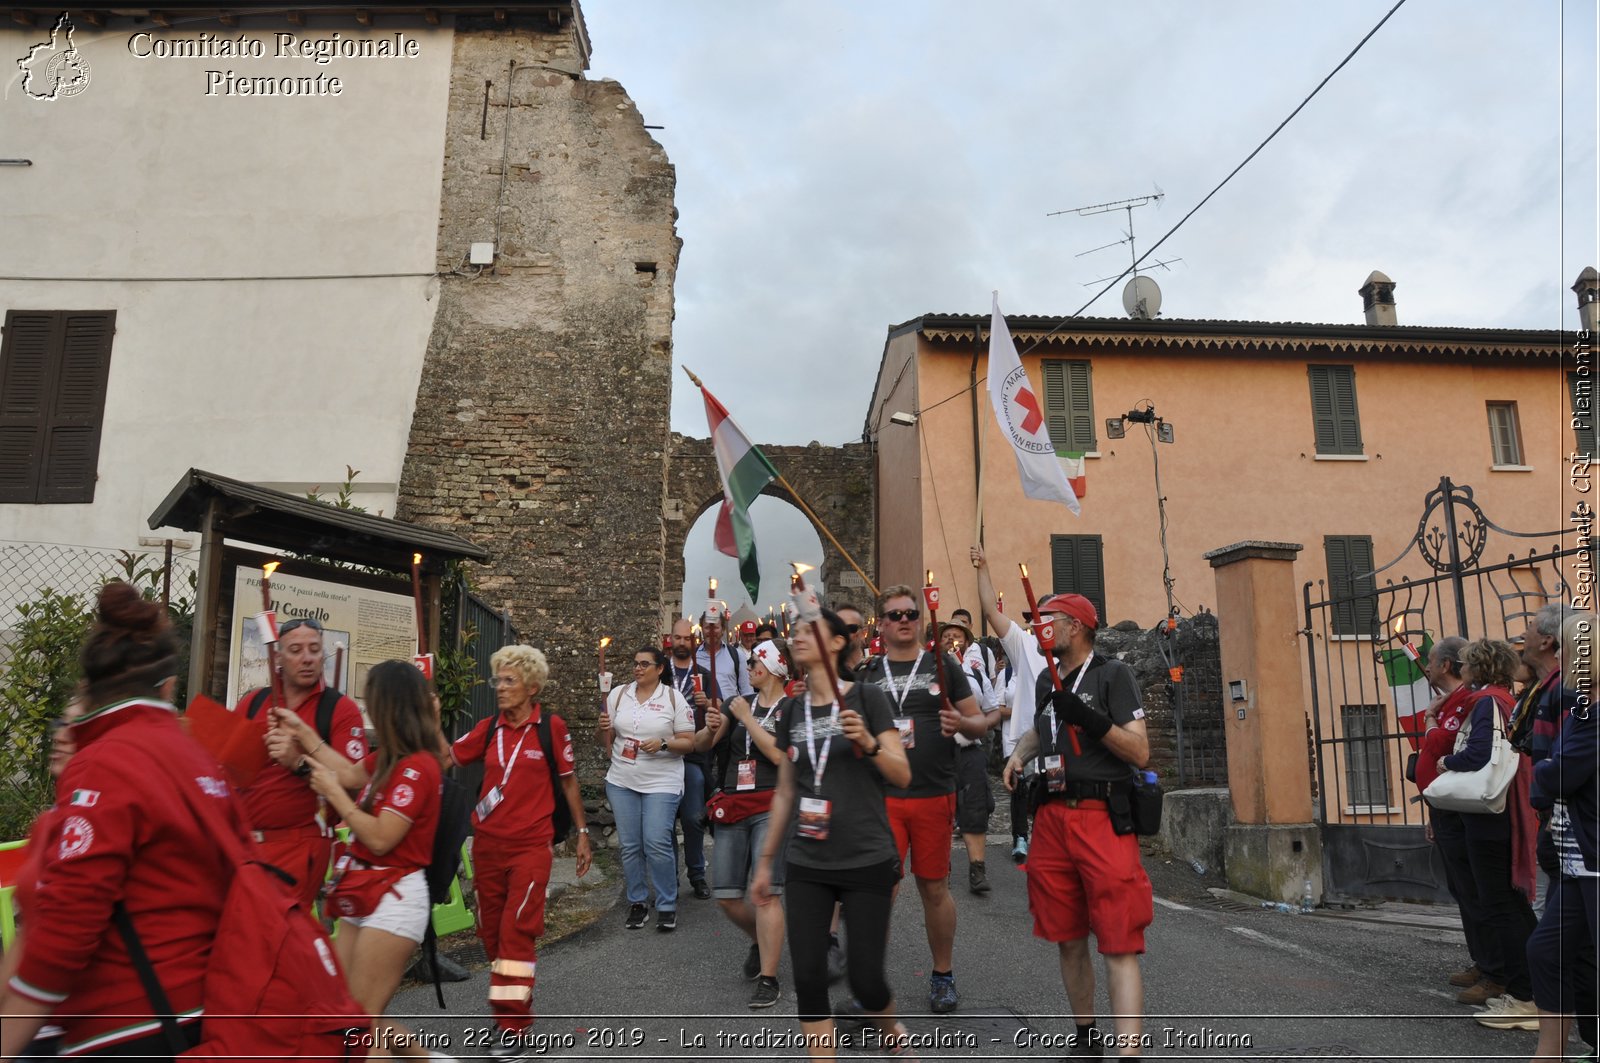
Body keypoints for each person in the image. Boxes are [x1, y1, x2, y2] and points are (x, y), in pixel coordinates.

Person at [0, 583, 244, 1059]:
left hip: (128, 1028)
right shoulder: (199, 760)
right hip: (205, 1013)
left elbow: (65, 935)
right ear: (168, 685)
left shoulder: (104, 764)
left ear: (91, 694)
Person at [999, 588, 1153, 1058]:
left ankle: (1129, 1052)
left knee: (1118, 938)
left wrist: (1089, 718)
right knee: (1065, 936)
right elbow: (1043, 725)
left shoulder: (1113, 674)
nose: (1039, 626)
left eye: (1048, 618)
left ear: (1077, 625)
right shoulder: (1049, 680)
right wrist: (1019, 755)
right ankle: (1086, 1039)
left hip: (1102, 817)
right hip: (1051, 817)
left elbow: (1139, 751)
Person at [751, 609, 912, 1059]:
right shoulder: (791, 710)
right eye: (795, 631)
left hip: (866, 856)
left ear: (837, 643)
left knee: (866, 979)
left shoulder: (867, 698)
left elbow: (901, 774)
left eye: (810, 630)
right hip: (807, 860)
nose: (797, 637)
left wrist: (870, 744)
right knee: (809, 976)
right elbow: (785, 791)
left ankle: (895, 1039)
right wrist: (765, 862)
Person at [273, 659, 446, 1060]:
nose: (367, 708)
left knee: (359, 1026)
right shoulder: (391, 756)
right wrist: (302, 732)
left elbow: (382, 838)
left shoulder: (418, 767)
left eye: (373, 700)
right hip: (366, 891)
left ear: (389, 706)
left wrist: (333, 796)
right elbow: (350, 774)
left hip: (394, 898)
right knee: (351, 1011)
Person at [858, 583, 995, 1012]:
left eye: (911, 614)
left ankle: (942, 975)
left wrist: (961, 722)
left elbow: (980, 723)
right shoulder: (868, 674)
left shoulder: (944, 666)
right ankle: (871, 986)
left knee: (933, 888)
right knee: (881, 891)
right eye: (895, 615)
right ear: (880, 624)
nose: (904, 621)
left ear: (920, 619)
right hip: (882, 797)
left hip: (934, 793)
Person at [449, 645, 592, 1056]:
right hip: (488, 849)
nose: (500, 687)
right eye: (498, 679)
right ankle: (513, 1007)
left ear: (532, 687)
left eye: (509, 680)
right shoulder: (489, 727)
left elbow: (568, 782)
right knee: (491, 935)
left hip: (530, 849)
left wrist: (582, 833)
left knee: (515, 934)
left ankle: (512, 1028)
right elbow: (448, 755)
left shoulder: (552, 727)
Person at [1432, 639, 1539, 1030]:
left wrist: (1445, 761)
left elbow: (1479, 754)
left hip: (1489, 816)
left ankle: (1524, 994)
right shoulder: (1504, 699)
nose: (1463, 670)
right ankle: (1528, 988)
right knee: (1509, 904)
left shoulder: (1486, 702)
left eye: (1467, 665)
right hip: (1504, 812)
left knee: (1500, 904)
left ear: (1477, 667)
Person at [247, 616, 368, 908]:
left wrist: (298, 762)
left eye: (314, 649)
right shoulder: (254, 702)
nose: (307, 659)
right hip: (244, 846)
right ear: (278, 657)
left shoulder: (339, 709)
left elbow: (352, 790)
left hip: (297, 847)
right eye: (296, 650)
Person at [704, 638, 794, 1008]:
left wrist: (746, 719)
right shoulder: (736, 702)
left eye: (756, 660)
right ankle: (759, 940)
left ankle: (769, 978)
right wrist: (710, 727)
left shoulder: (793, 708)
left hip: (772, 803)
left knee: (766, 893)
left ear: (776, 666)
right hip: (733, 802)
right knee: (725, 896)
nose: (749, 666)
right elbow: (702, 744)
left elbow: (777, 753)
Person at [1526, 611, 1600, 1062]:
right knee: (1545, 951)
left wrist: (1543, 775)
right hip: (1577, 858)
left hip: (1592, 855)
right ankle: (1549, 1053)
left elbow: (1559, 773)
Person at [599, 645, 704, 932]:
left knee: (657, 842)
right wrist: (603, 727)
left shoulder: (673, 698)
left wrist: (664, 744)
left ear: (659, 669)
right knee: (630, 845)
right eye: (635, 663)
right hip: (622, 780)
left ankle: (667, 903)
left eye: (645, 664)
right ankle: (637, 901)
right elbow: (606, 737)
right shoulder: (619, 694)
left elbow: (689, 742)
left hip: (662, 780)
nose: (638, 668)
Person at [1415, 636, 1495, 999]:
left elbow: (1441, 748)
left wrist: (1431, 719)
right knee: (1462, 890)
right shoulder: (1449, 701)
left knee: (1475, 890)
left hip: (1463, 808)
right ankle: (1482, 960)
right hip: (1443, 807)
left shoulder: (1465, 701)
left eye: (1431, 662)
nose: (1427, 668)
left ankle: (1495, 968)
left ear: (1446, 666)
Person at [970, 545, 1052, 865]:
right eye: (1040, 616)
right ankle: (1020, 836)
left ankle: (1048, 842)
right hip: (1025, 737)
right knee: (1020, 789)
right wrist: (983, 567)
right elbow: (991, 610)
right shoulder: (1024, 644)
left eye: (1052, 616)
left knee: (1052, 795)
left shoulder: (1072, 653)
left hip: (1061, 741)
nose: (1045, 622)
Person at [940, 618, 1001, 894]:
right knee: (940, 812)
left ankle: (977, 870)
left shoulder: (975, 673)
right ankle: (942, 870)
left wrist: (981, 726)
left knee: (975, 808)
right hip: (938, 753)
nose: (952, 639)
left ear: (967, 642)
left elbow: (992, 709)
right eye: (946, 636)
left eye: (957, 635)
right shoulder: (930, 671)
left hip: (968, 749)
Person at [666, 617, 718, 900]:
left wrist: (707, 703)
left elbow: (718, 714)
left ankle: (697, 874)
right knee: (664, 822)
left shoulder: (705, 674)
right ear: (670, 639)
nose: (682, 642)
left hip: (694, 757)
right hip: (663, 754)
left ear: (693, 641)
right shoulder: (660, 672)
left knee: (693, 818)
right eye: (678, 638)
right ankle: (669, 878)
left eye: (687, 638)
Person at [698, 612, 755, 700]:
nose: (711, 632)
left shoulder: (737, 656)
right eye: (707, 627)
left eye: (716, 628)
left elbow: (747, 693)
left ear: (723, 629)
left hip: (729, 712)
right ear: (702, 629)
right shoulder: (693, 657)